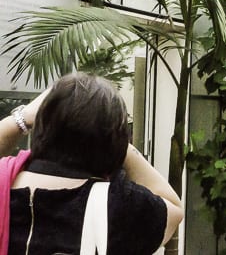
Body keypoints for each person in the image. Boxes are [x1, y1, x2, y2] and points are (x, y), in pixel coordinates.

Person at [0, 72, 184, 254]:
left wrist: (21, 119)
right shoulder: (120, 207)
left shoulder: (5, 183)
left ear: (41, 125)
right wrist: (114, 137)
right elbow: (173, 209)